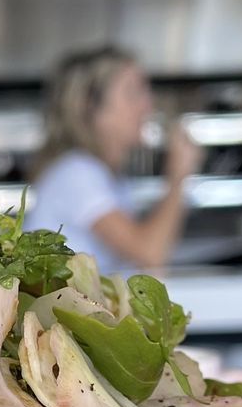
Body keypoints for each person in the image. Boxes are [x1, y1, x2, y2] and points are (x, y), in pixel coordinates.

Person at [23, 46, 202, 273]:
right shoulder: (76, 172)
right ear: (92, 107)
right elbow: (150, 253)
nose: (147, 105)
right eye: (132, 93)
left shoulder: (107, 176)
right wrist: (177, 176)